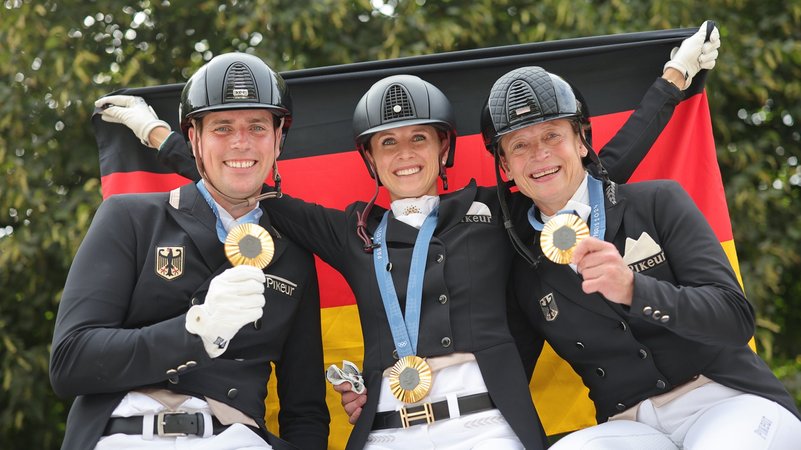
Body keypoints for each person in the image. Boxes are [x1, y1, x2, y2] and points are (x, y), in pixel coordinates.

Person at [97, 22, 719, 449]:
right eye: (387, 143)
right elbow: (242, 177)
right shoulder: (350, 232)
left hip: (488, 429)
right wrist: (157, 134)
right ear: (369, 159)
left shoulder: (494, 212)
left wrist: (671, 82)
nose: (404, 154)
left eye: (419, 138)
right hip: (387, 430)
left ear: (444, 148)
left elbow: (591, 172)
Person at [481, 63, 801, 449]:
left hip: (724, 397)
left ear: (581, 141)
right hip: (629, 423)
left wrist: (635, 290)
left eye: (552, 135)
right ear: (505, 165)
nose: (539, 153)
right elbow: (510, 366)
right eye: (519, 145)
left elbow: (735, 319)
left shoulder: (658, 201)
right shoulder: (521, 264)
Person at [50, 52, 329, 450]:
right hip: (129, 434)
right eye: (222, 128)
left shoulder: (293, 254)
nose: (241, 142)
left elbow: (304, 411)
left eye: (257, 127)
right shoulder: (130, 217)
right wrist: (197, 331)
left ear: (278, 138)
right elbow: (70, 361)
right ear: (194, 138)